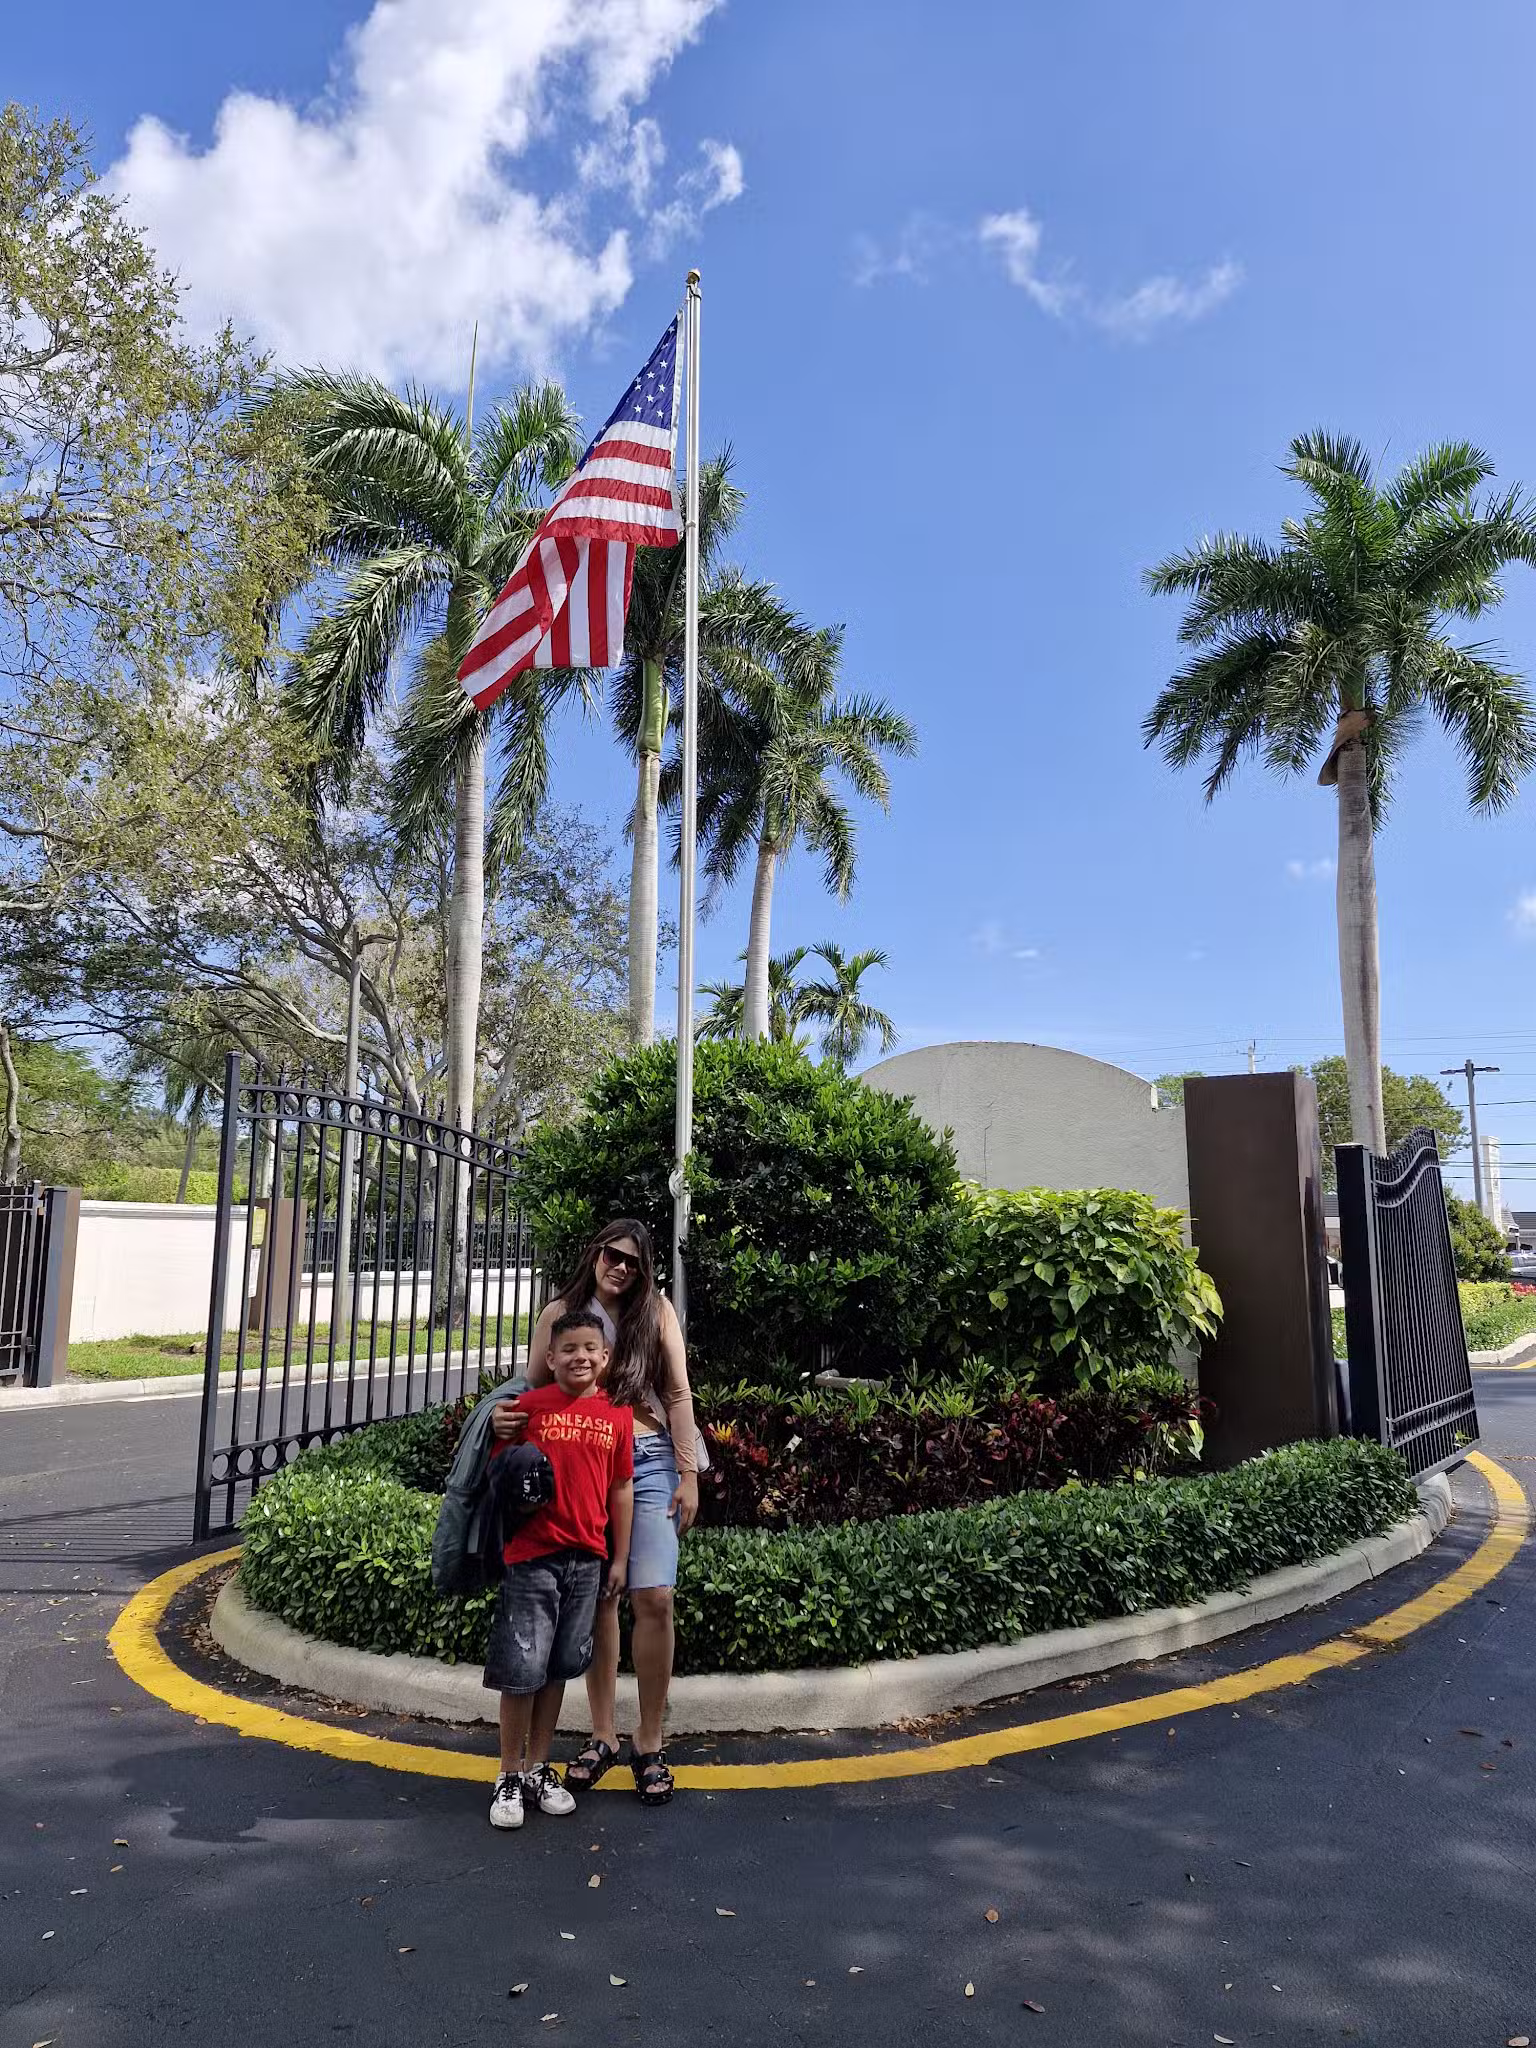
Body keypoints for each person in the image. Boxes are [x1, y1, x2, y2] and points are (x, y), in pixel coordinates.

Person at [493, 1218, 699, 1806]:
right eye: (613, 1254)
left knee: (653, 1594)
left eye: (633, 1261)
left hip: (651, 1458)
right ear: (596, 1253)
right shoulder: (560, 1311)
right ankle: (603, 1734)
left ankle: (650, 1739)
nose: (620, 1267)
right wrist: (503, 1419)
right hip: (580, 1463)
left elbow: (678, 1393)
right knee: (599, 1596)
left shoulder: (655, 1312)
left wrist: (688, 1474)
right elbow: (532, 1387)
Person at [483, 1310, 633, 1833]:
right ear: (550, 1358)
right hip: (532, 1560)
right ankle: (507, 1773)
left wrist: (618, 1557)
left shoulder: (616, 1414)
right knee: (522, 1672)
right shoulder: (528, 1407)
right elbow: (498, 1471)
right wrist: (496, 1422)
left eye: (591, 1348)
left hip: (587, 1561)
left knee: (556, 1671)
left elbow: (621, 1489)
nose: (580, 1357)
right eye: (568, 1349)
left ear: (606, 1358)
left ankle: (538, 1768)